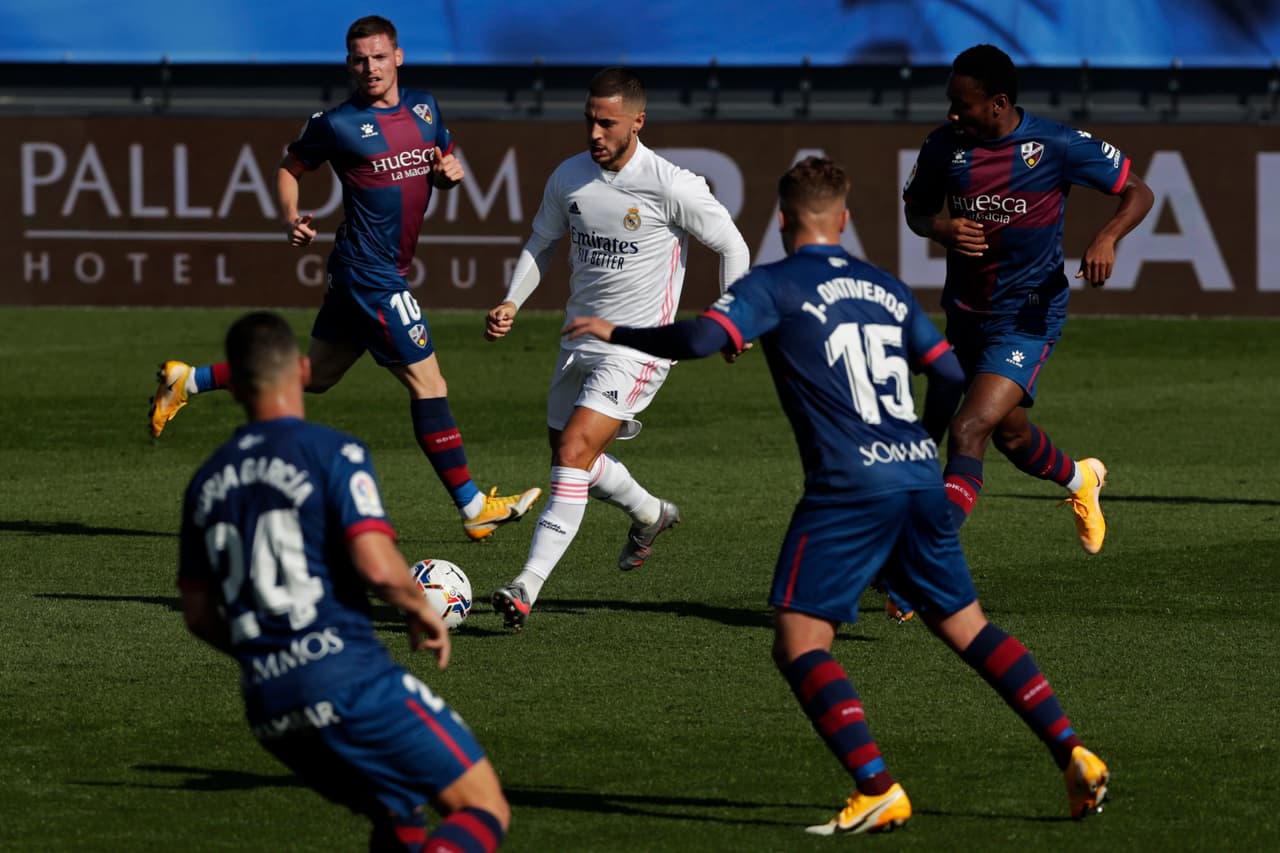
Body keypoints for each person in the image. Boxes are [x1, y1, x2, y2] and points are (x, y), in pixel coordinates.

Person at [565, 157, 1110, 833]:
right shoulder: (884, 285)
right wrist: (918, 438)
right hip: (915, 472)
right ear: (844, 218)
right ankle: (1073, 753)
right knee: (969, 628)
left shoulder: (776, 283)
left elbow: (705, 338)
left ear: (784, 221)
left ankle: (877, 785)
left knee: (799, 642)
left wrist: (616, 329)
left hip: (849, 487)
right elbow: (947, 371)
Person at [148, 15, 540, 542]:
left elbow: (442, 159)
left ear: (397, 57)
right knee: (430, 383)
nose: (370, 67)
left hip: (376, 270)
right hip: (368, 273)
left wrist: (449, 173)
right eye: (359, 59)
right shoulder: (336, 123)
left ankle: (189, 380)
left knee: (317, 375)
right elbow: (290, 167)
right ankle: (472, 507)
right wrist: (292, 217)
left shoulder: (425, 107)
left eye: (379, 57)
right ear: (349, 63)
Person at [177, 311, 509, 852]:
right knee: (481, 806)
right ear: (304, 369)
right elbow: (378, 567)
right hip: (346, 680)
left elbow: (198, 614)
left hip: (268, 703)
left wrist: (269, 656)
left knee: (400, 811)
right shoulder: (333, 451)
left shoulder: (206, 481)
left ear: (234, 384)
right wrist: (419, 608)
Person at [482, 67, 750, 631]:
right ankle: (650, 513)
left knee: (575, 450)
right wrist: (512, 300)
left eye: (607, 123)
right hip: (578, 340)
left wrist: (732, 319)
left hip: (639, 348)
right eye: (589, 121)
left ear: (637, 121)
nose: (595, 133)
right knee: (567, 455)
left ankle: (526, 586)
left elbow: (732, 244)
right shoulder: (570, 177)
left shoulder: (671, 183)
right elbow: (543, 241)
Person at [903, 43, 1154, 556]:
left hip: (1028, 315)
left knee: (967, 429)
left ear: (997, 103)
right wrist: (941, 228)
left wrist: (1107, 237)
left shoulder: (1055, 143)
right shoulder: (942, 146)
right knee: (1011, 437)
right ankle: (1083, 480)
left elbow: (1139, 191)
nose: (952, 112)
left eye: (962, 103)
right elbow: (917, 213)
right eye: (950, 101)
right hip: (967, 313)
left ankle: (922, 563)